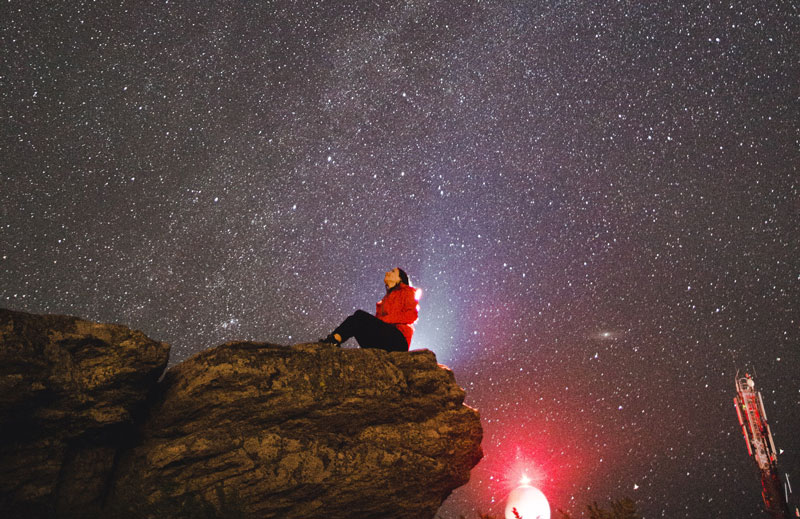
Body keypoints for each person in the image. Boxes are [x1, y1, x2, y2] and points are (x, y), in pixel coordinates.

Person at [321, 268, 419, 352]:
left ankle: (334, 340)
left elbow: (412, 315)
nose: (387, 273)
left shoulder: (407, 291)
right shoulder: (386, 299)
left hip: (399, 340)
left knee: (359, 315)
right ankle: (334, 340)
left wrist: (385, 320)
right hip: (386, 338)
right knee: (355, 321)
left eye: (392, 271)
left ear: (400, 279)